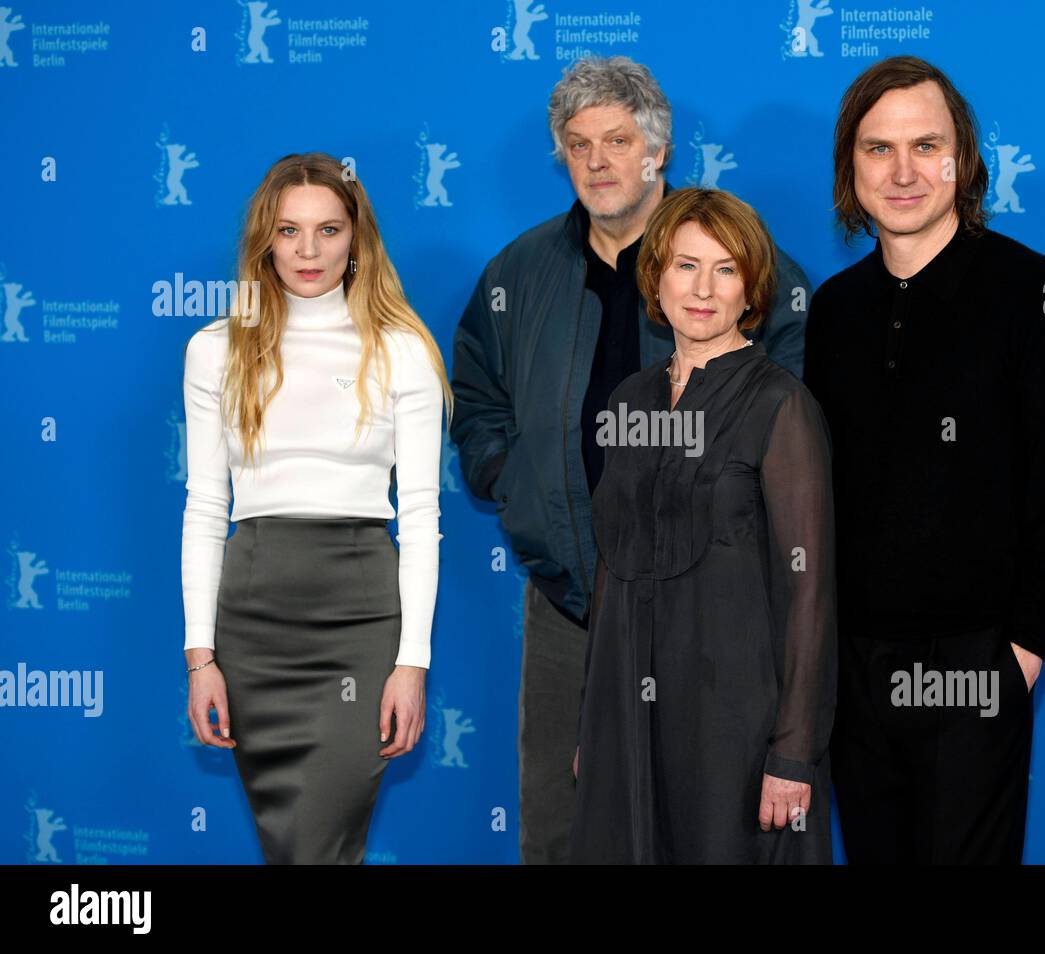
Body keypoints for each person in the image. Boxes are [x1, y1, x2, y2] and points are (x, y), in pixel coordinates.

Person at [449, 55, 811, 864]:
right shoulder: (519, 273)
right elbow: (473, 391)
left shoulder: (726, 266)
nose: (599, 161)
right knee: (561, 828)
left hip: (708, 613)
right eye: (578, 145)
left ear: (658, 149)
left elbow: (790, 397)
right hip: (572, 606)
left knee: (694, 830)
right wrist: (515, 481)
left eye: (618, 140)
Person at [803, 55, 1045, 864]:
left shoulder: (1033, 290)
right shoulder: (834, 312)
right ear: (850, 167)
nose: (903, 172)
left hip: (977, 664)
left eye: (926, 146)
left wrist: (1022, 653)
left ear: (962, 158)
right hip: (853, 670)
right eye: (878, 149)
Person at [181, 152, 451, 864]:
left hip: (359, 624)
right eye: (289, 230)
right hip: (251, 624)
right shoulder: (215, 350)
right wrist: (200, 656)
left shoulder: (404, 350)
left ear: (357, 238)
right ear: (264, 240)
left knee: (319, 846)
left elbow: (420, 517)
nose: (308, 250)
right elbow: (207, 507)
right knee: (288, 847)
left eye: (328, 230)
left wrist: (411, 663)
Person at [570, 187, 837, 864]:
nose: (703, 289)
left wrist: (795, 752)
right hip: (626, 710)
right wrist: (593, 726)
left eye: (725, 269)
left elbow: (811, 590)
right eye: (686, 265)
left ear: (752, 289)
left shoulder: (781, 404)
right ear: (656, 276)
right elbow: (612, 565)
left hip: (734, 726)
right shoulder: (630, 399)